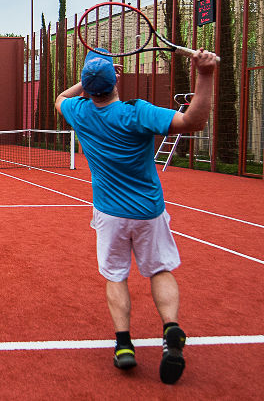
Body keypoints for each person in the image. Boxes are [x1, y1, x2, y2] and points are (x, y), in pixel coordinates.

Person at [55, 48, 219, 385]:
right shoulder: (138, 112)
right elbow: (193, 121)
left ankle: (124, 345)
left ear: (87, 88)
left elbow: (60, 98)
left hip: (109, 214)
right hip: (148, 212)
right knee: (159, 270)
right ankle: (171, 329)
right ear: (116, 82)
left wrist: (89, 79)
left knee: (116, 276)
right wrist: (205, 75)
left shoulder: (78, 111)